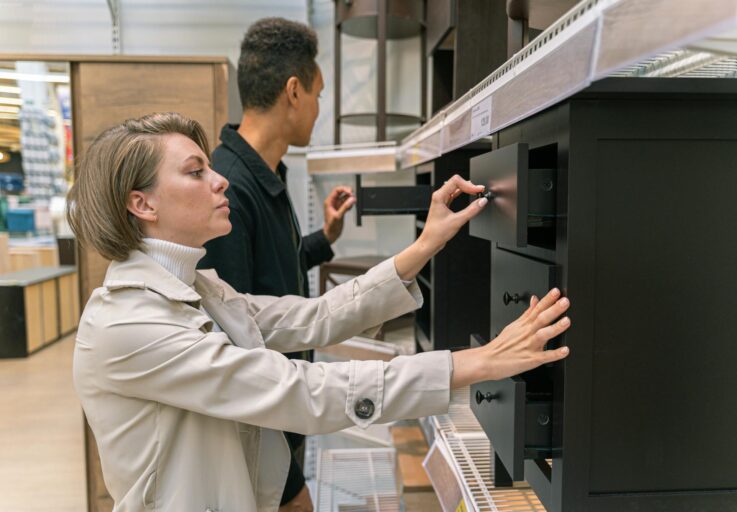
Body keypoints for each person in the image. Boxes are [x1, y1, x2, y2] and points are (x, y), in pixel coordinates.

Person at [67, 112, 571, 512]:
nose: (219, 182)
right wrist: (474, 364)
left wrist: (425, 245)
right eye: (197, 172)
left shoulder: (201, 288)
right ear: (143, 205)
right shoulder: (127, 325)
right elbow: (296, 389)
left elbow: (313, 317)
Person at [198, 20, 352, 508]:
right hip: (263, 444)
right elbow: (236, 339)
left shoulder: (265, 175)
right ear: (293, 91)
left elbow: (271, 278)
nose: (319, 109)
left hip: (285, 424)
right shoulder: (229, 188)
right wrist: (287, 484)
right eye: (318, 94)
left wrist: (323, 239)